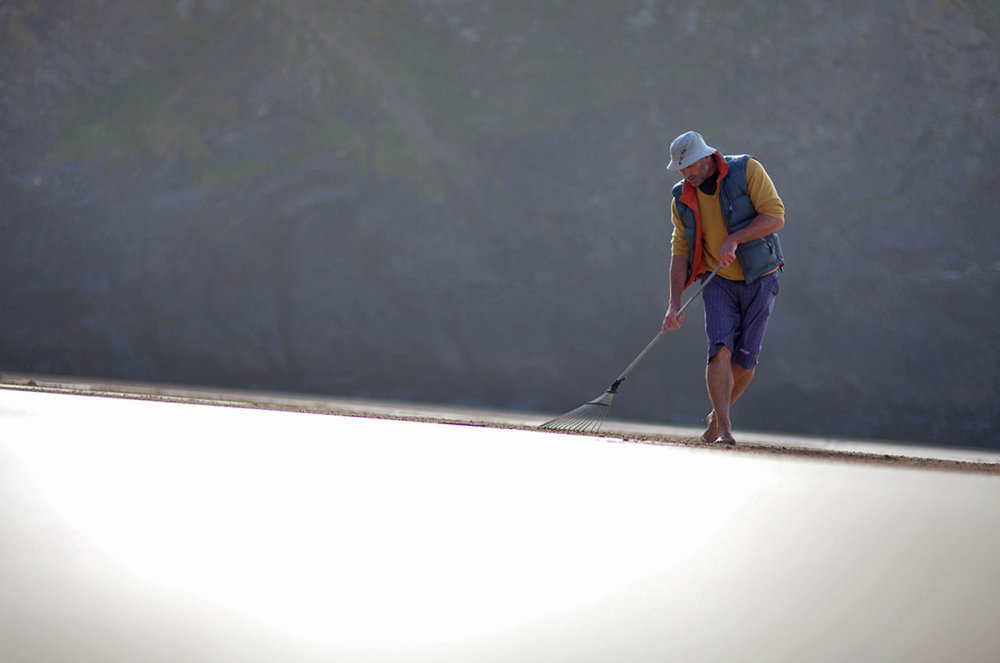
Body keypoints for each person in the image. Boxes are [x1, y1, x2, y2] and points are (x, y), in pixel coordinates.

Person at [660, 131, 785, 445]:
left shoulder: (747, 170)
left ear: (706, 157)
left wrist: (735, 238)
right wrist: (674, 304)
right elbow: (680, 251)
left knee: (744, 361)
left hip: (761, 275)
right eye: (680, 169)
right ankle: (726, 432)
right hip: (717, 281)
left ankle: (716, 419)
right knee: (720, 351)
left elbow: (775, 216)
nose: (686, 174)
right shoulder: (681, 197)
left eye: (689, 166)